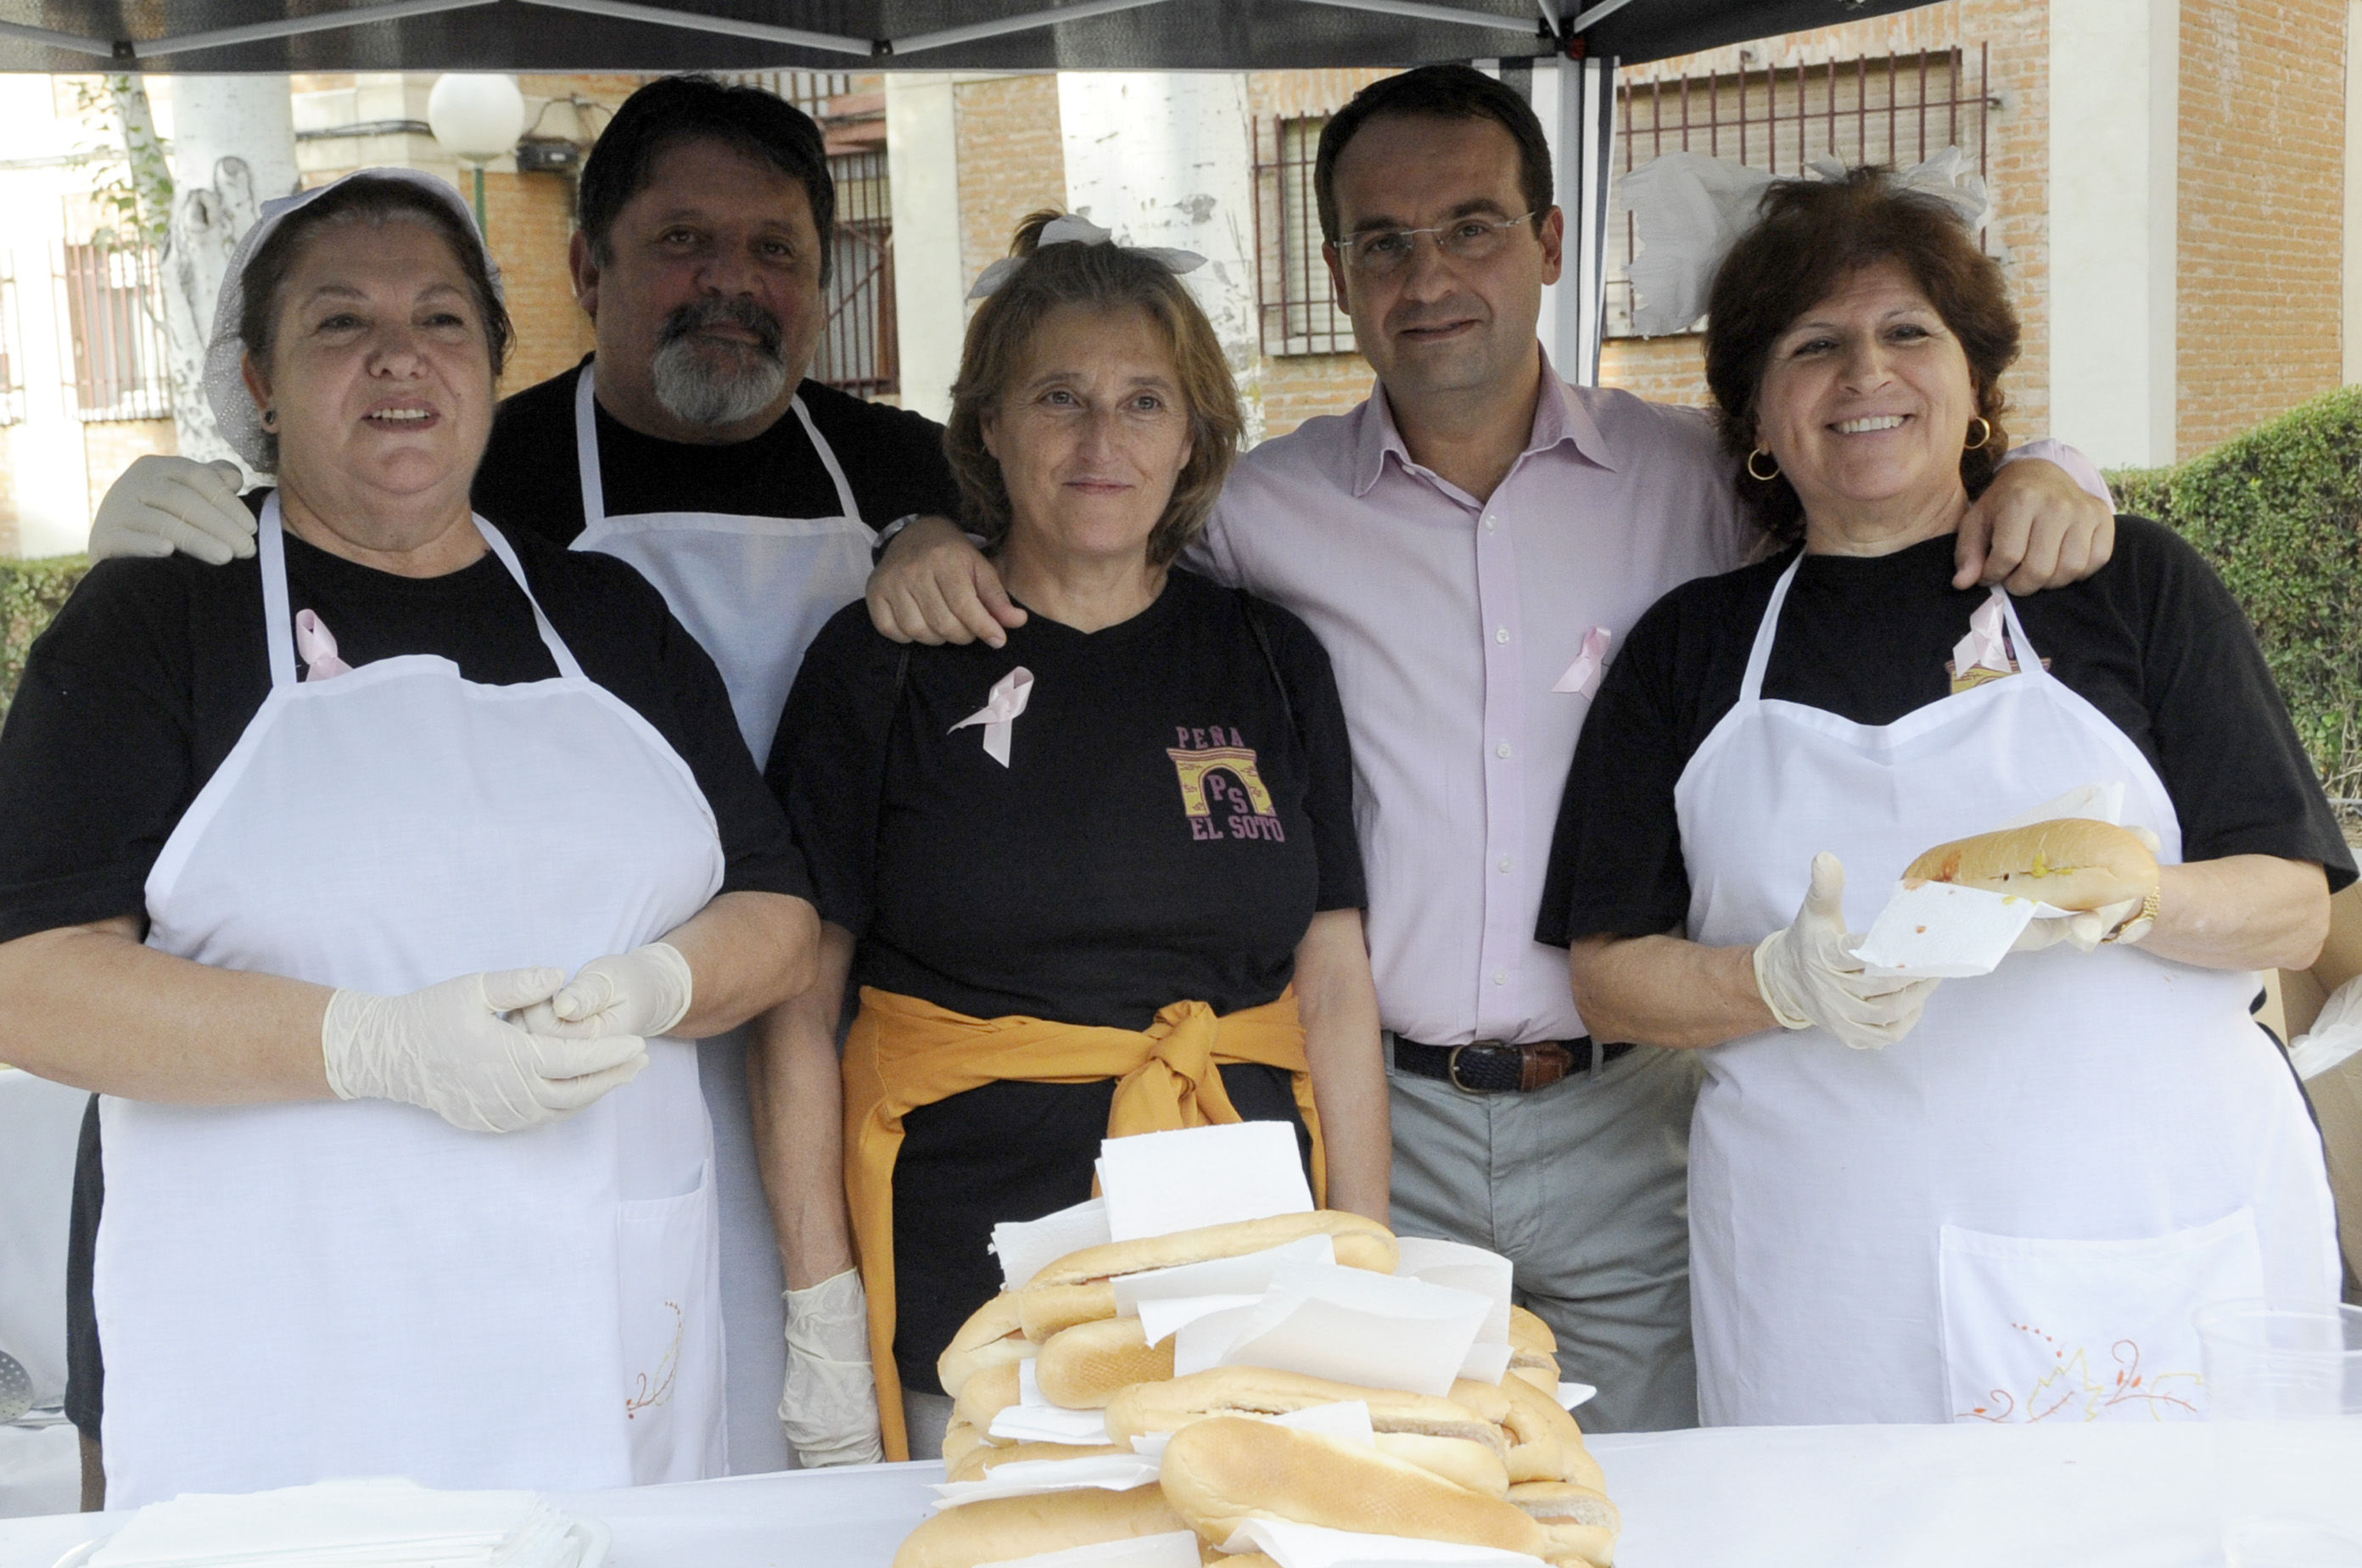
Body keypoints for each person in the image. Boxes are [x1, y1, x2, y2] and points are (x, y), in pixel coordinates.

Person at [862, 65, 2117, 1432]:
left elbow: (1888, 479)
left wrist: (2050, 464)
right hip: (1377, 1118)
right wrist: (921, 535)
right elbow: (1077, 537)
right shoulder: (1261, 509)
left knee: (1648, 1498)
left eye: (1471, 226)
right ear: (1337, 273)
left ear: (1551, 245)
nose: (1429, 275)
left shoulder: (1697, 478)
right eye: (1383, 243)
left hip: (1628, 1112)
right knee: (1395, 1494)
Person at [81, 75, 943, 1470]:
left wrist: (661, 982)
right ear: (583, 271)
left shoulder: (907, 478)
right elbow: (43, 955)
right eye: (679, 243)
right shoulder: (407, 508)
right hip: (309, 1249)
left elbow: (778, 887)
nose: (728, 284)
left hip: (761, 1087)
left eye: (774, 249)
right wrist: (377, 1047)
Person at [1538, 168, 2352, 1426]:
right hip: (1825, 1274)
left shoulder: (2126, 586)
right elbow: (1606, 975)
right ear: (1757, 416)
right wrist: (1774, 981)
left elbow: (2296, 912)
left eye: (1908, 332)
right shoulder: (1690, 651)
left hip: (2141, 1224)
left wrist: (2139, 895)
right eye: (1815, 346)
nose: (1866, 375)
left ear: (1976, 384)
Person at [764, 212, 1389, 1461]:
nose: (1104, 440)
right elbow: (795, 1006)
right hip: (969, 1291)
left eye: (1145, 402)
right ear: (989, 428)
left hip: (1242, 1269)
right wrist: (821, 1314)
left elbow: (1333, 987)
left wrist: (1360, 1259)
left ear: (1196, 436)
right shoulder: (882, 665)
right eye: (1060, 397)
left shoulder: (1269, 655)